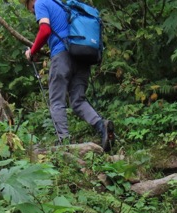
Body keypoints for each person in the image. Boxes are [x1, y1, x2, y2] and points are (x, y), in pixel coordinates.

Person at [24, 0, 113, 151]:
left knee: (57, 101)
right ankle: (101, 126)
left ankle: (64, 143)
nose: (33, 12)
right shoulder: (62, 5)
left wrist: (32, 51)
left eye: (30, 9)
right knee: (78, 101)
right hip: (81, 55)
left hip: (62, 56)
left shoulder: (40, 3)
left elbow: (44, 30)